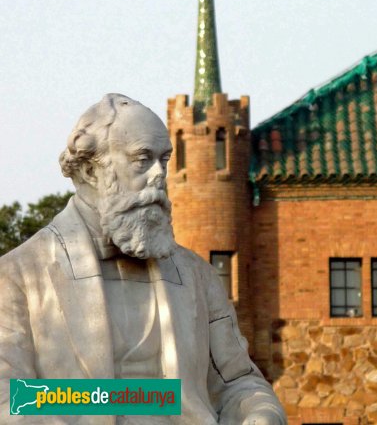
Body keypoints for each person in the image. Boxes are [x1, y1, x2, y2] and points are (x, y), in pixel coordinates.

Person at [0, 94, 286, 425]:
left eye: (164, 160)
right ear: (92, 170)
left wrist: (260, 414)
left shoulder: (197, 277)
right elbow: (9, 398)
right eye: (142, 159)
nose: (159, 176)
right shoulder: (18, 277)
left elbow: (238, 383)